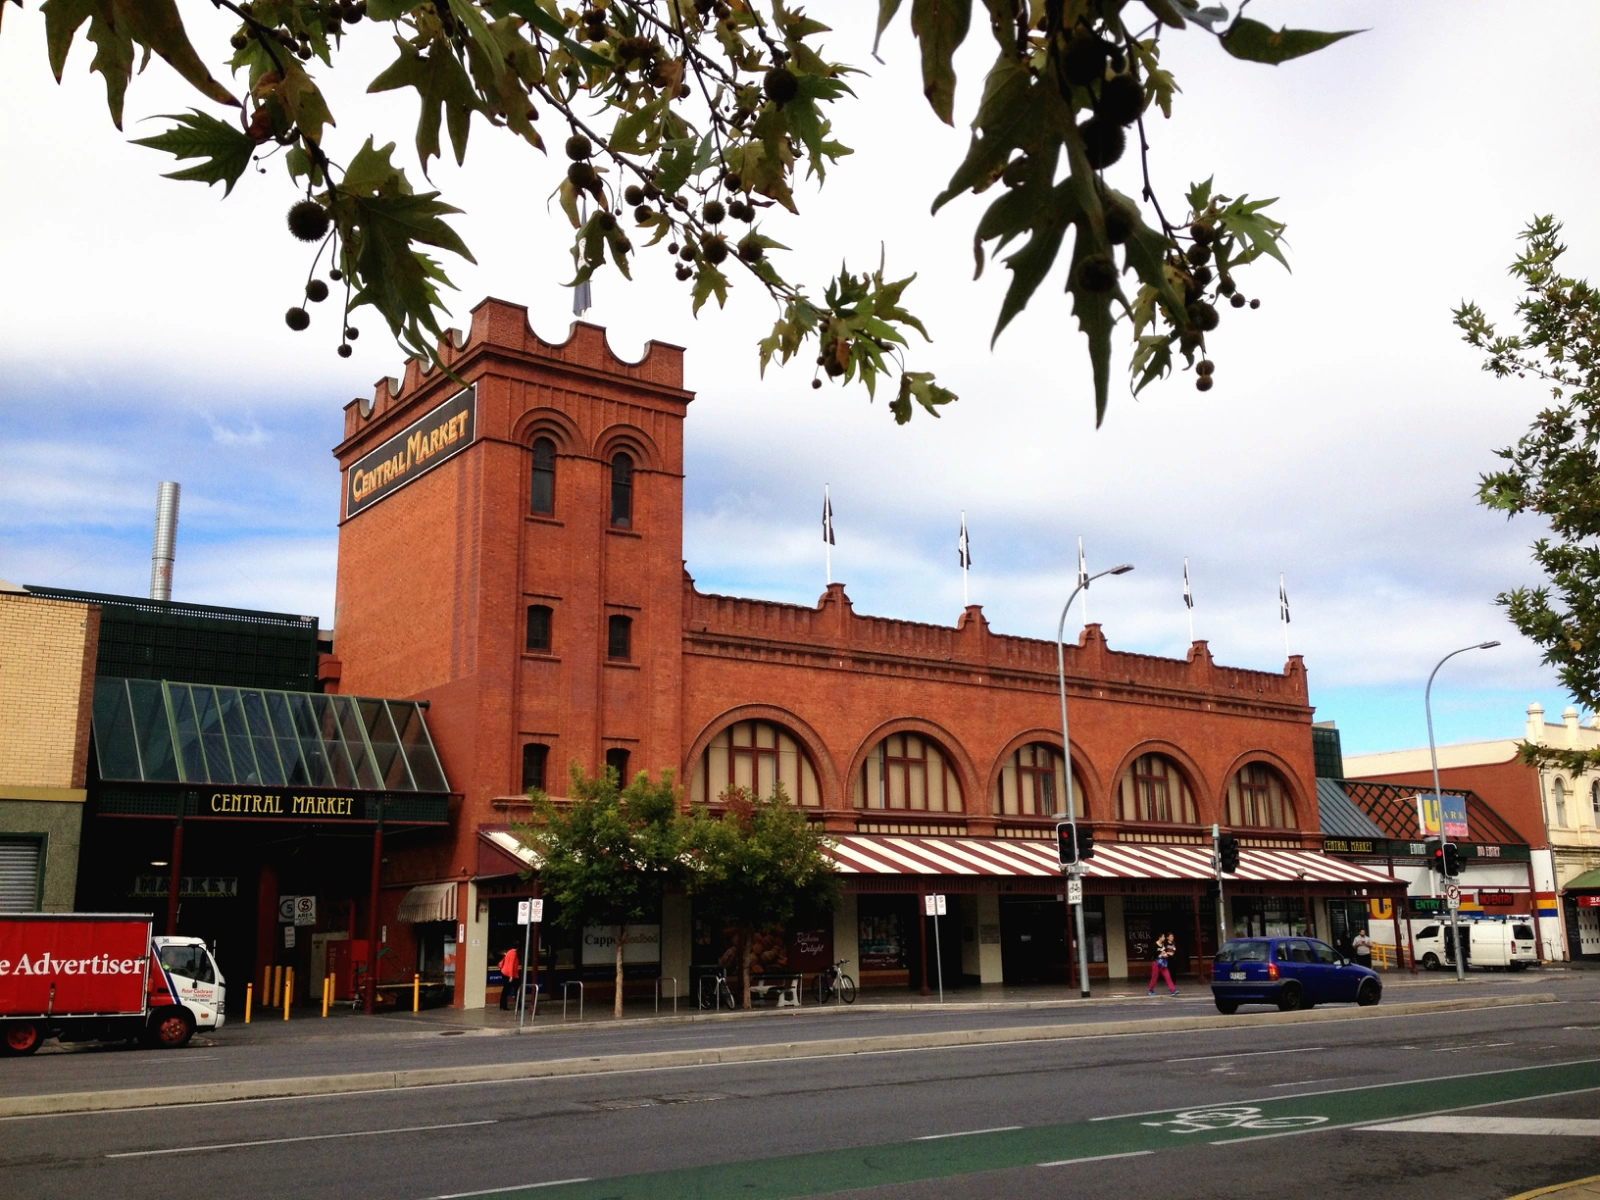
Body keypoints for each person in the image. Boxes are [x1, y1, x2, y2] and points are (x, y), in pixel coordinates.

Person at [1148, 932, 1178, 996]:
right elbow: (1154, 954)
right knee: (1154, 977)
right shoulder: (1155, 944)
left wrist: (1166, 954)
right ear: (1160, 938)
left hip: (1163, 963)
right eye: (1163, 937)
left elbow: (1165, 951)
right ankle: (1151, 989)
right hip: (1156, 963)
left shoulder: (1163, 944)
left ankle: (1172, 990)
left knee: (1167, 976)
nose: (1164, 938)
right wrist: (1160, 953)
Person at [497, 944, 522, 1011]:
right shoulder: (513, 954)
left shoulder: (509, 952)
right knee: (516, 989)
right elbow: (511, 965)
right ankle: (518, 1005)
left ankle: (502, 1006)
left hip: (506, 973)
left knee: (506, 989)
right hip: (511, 975)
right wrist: (511, 976)